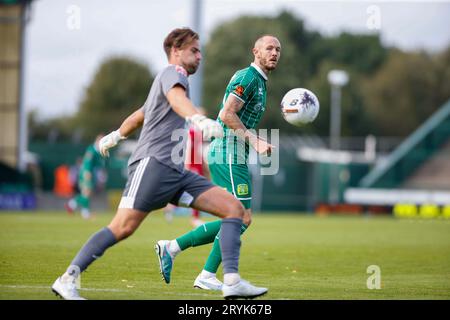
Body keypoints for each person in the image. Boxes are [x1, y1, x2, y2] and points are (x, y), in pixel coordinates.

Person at [51, 27, 268, 300]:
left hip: (176, 172)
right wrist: (198, 119)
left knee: (234, 210)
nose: (200, 57)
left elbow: (141, 114)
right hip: (153, 165)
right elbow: (178, 101)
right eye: (194, 50)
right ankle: (67, 279)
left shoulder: (170, 81)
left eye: (200, 51)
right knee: (122, 228)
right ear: (175, 51)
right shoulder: (173, 74)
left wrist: (116, 135)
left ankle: (232, 281)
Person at [154, 35, 281, 291]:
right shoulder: (249, 77)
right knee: (241, 219)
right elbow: (226, 114)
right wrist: (254, 142)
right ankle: (207, 274)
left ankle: (174, 248)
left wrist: (255, 141)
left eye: (278, 49)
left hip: (233, 154)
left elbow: (234, 118)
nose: (275, 52)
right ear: (255, 51)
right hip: (228, 155)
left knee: (235, 218)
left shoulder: (259, 81)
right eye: (269, 48)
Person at [64, 135, 105, 219]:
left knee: (86, 194)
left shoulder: (98, 151)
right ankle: (76, 207)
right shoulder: (91, 150)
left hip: (91, 173)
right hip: (86, 173)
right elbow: (87, 162)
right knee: (86, 192)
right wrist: (87, 173)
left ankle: (74, 207)